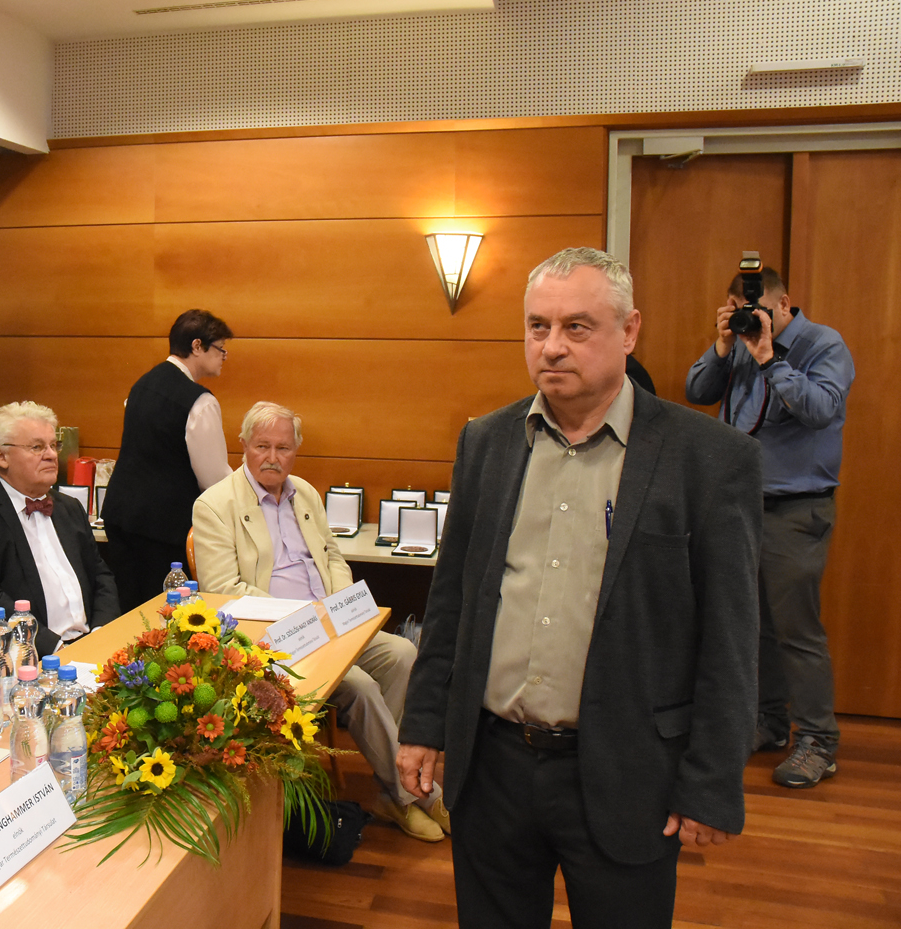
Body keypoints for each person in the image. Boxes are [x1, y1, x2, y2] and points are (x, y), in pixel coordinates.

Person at [398, 247, 761, 928]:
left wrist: (712, 781)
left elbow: (731, 636)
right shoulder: (486, 442)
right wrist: (423, 726)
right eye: (538, 326)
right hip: (492, 767)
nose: (552, 347)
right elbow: (451, 601)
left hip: (628, 771)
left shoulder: (709, 459)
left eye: (576, 327)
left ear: (628, 331)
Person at [193, 401, 450, 843]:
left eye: (283, 448)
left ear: (296, 451)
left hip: (330, 620)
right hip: (278, 636)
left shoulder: (306, 494)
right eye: (262, 446)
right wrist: (306, 616)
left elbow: (331, 555)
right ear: (243, 446)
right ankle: (410, 793)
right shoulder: (215, 505)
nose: (272, 457)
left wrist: (340, 603)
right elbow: (224, 591)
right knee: (361, 687)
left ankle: (393, 781)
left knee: (404, 653)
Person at [685, 265, 853, 788]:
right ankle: (769, 721)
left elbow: (820, 409)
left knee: (796, 630)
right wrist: (722, 346)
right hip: (739, 505)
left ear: (784, 305)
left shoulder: (823, 344)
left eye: (758, 312)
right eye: (739, 312)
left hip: (795, 509)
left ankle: (818, 742)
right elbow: (697, 390)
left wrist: (769, 359)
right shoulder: (737, 343)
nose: (750, 321)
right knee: (752, 623)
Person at [0, 401, 120, 654]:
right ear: (1, 457)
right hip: (31, 656)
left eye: (53, 445)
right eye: (37, 447)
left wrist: (102, 632)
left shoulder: (69, 508)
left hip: (93, 642)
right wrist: (56, 649)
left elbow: (100, 575)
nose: (51, 455)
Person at [103, 309, 235, 610]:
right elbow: (213, 479)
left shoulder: (141, 384)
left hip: (120, 515)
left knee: (130, 610)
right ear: (197, 346)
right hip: (164, 528)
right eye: (220, 349)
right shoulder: (199, 401)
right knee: (164, 615)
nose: (224, 357)